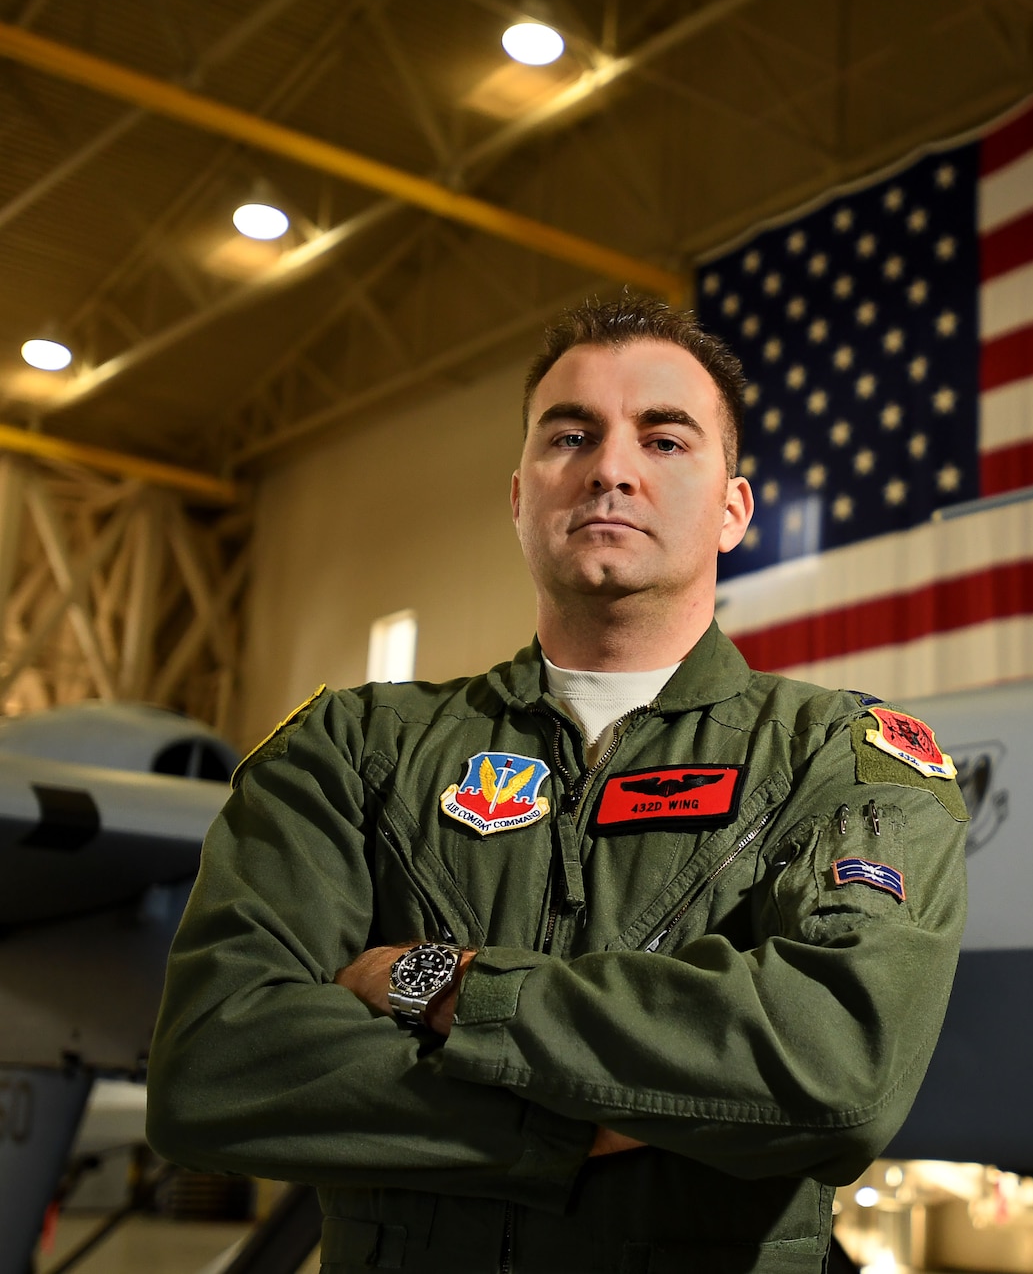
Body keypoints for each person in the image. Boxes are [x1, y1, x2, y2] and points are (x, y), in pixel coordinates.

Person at [147, 293, 970, 1274]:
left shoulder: (837, 761)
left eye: (664, 441)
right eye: (569, 436)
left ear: (733, 509)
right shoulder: (349, 750)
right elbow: (215, 1069)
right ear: (520, 496)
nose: (610, 469)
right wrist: (596, 1125)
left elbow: (831, 1067)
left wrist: (443, 983)